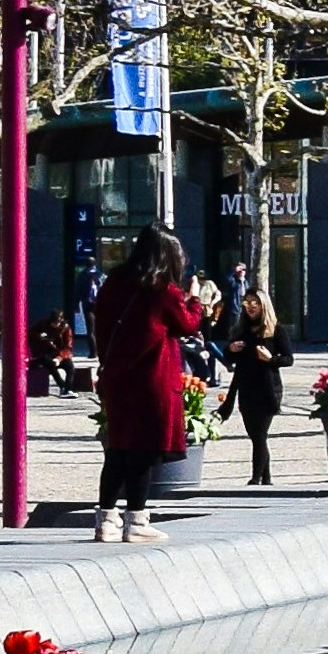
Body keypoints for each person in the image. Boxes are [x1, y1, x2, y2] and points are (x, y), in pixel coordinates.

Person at [89, 232, 202, 546]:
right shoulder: (163, 291)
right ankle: (136, 519)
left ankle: (105, 520)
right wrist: (194, 299)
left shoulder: (114, 283)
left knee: (118, 449)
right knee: (144, 450)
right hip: (152, 379)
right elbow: (188, 325)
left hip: (116, 377)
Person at [222, 280, 292, 486]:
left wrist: (270, 359)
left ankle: (255, 478)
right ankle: (267, 478)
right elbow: (230, 359)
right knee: (255, 434)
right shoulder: (241, 330)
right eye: (247, 302)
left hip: (268, 389)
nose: (251, 306)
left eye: (255, 303)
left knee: (259, 434)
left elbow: (288, 358)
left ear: (263, 306)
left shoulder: (275, 330)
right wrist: (231, 350)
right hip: (246, 388)